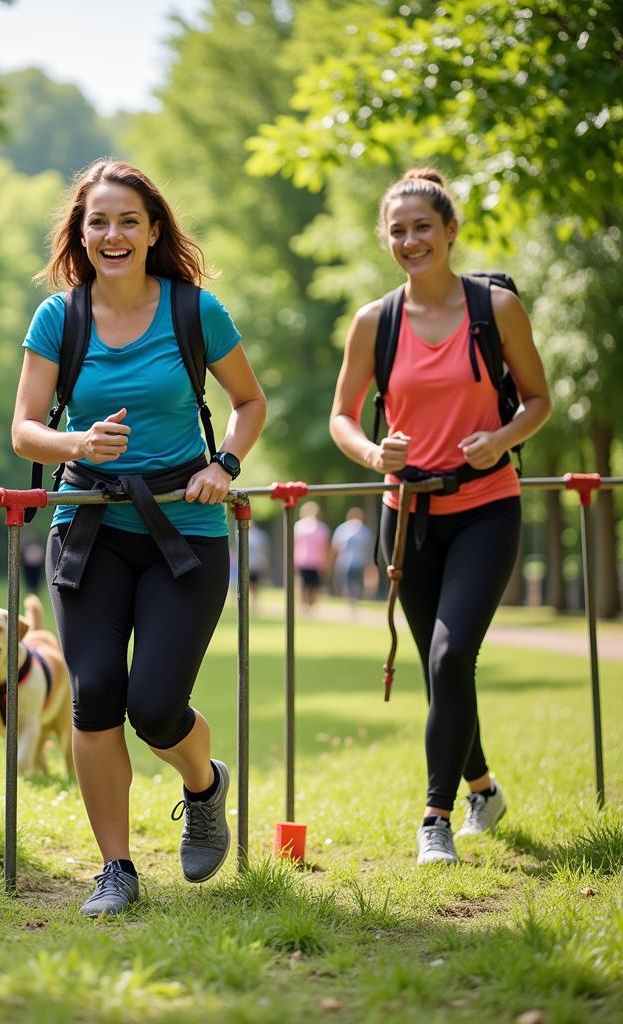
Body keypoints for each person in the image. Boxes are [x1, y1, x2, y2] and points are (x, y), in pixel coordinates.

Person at [12, 159, 266, 916]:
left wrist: (224, 464)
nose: (113, 234)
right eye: (99, 222)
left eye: (128, 220)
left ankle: (204, 783)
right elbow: (25, 428)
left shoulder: (196, 311)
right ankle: (116, 869)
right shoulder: (60, 318)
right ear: (81, 235)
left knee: (154, 707)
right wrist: (75, 446)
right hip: (87, 527)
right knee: (93, 697)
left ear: (154, 231)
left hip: (182, 529)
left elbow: (249, 402)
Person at [329, 168, 550, 865]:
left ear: (450, 231)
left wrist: (502, 438)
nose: (410, 240)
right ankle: (482, 783)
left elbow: (538, 401)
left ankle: (436, 818)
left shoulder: (494, 309)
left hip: (486, 506)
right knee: (439, 667)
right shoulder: (375, 321)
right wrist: (374, 451)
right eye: (397, 230)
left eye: (423, 226)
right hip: (407, 515)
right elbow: (340, 416)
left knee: (453, 654)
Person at [330, 507, 374, 611]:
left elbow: (336, 547)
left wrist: (333, 563)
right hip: (358, 561)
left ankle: (350, 604)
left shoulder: (343, 529)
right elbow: (369, 550)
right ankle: (353, 604)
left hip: (346, 561)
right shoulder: (365, 531)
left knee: (348, 583)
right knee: (356, 583)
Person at [292, 502, 330, 611]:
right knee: (314, 585)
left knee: (303, 584)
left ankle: (304, 605)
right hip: (317, 560)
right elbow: (325, 546)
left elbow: (295, 543)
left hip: (302, 559)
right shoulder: (322, 527)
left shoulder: (299, 526)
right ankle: (311, 605)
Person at [246, 520, 271, 614]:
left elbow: (264, 550)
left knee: (254, 585)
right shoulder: (258, 535)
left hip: (255, 564)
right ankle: (250, 602)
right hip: (249, 564)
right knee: (249, 585)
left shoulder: (259, 536)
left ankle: (253, 603)